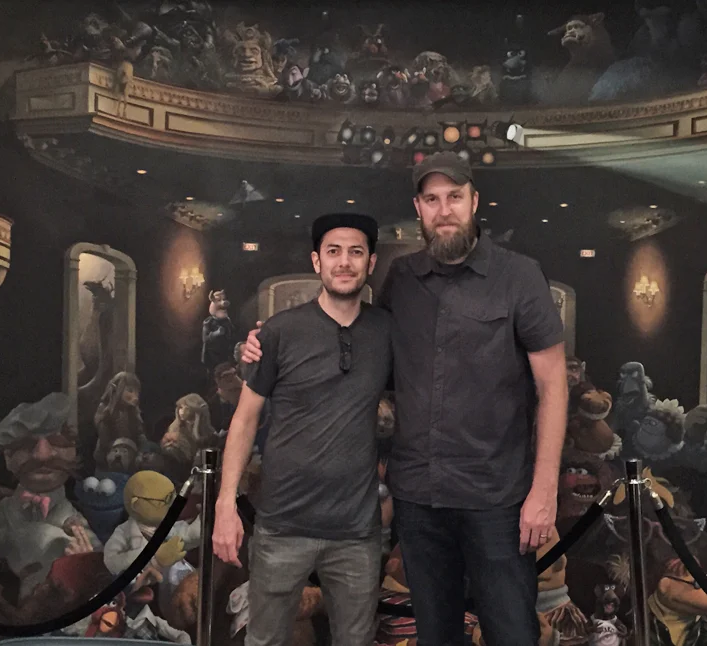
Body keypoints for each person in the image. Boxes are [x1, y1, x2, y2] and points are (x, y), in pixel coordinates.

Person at [240, 151, 568, 645]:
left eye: (454, 196)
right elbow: (360, 342)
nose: (444, 210)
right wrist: (264, 343)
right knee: (433, 635)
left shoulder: (519, 276)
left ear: (474, 201)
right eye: (431, 199)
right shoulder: (402, 277)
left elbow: (553, 386)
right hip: (419, 499)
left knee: (512, 634)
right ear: (418, 208)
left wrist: (544, 491)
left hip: (496, 498)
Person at [213, 213, 391, 646]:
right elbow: (245, 419)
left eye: (356, 252)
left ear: (370, 263)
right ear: (316, 261)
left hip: (356, 533)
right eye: (333, 251)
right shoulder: (278, 332)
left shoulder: (388, 332)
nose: (344, 262)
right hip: (282, 526)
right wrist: (225, 503)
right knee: (265, 641)